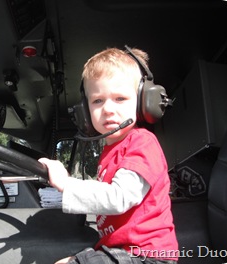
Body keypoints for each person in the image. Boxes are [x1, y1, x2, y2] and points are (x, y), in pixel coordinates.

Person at [39, 47, 178, 264]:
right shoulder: (109, 151)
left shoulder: (142, 143)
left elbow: (119, 197)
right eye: (97, 101)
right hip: (120, 251)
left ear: (142, 102)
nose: (108, 109)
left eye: (120, 98)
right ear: (85, 110)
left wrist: (66, 183)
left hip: (148, 255)